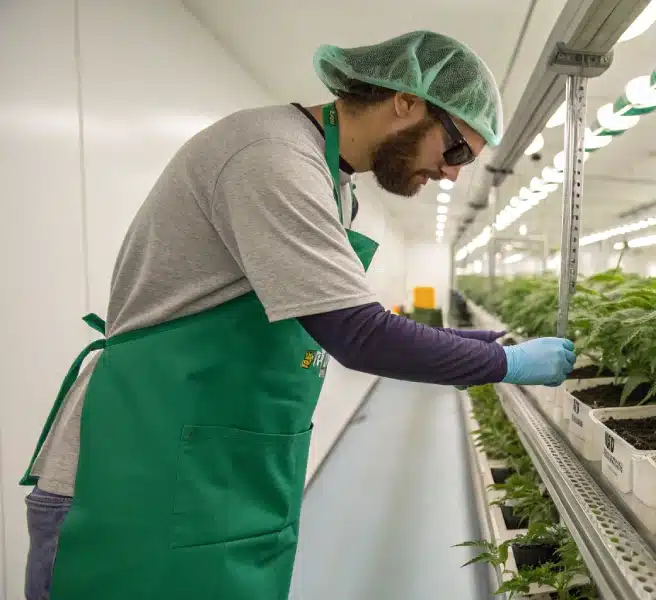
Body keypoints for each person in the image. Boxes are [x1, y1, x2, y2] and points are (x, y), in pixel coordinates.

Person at [20, 31, 575, 600]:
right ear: (406, 101)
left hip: (217, 469)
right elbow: (358, 334)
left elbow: (336, 310)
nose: (453, 174)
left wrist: (468, 342)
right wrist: (505, 364)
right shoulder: (271, 155)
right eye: (457, 150)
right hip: (134, 470)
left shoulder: (333, 183)